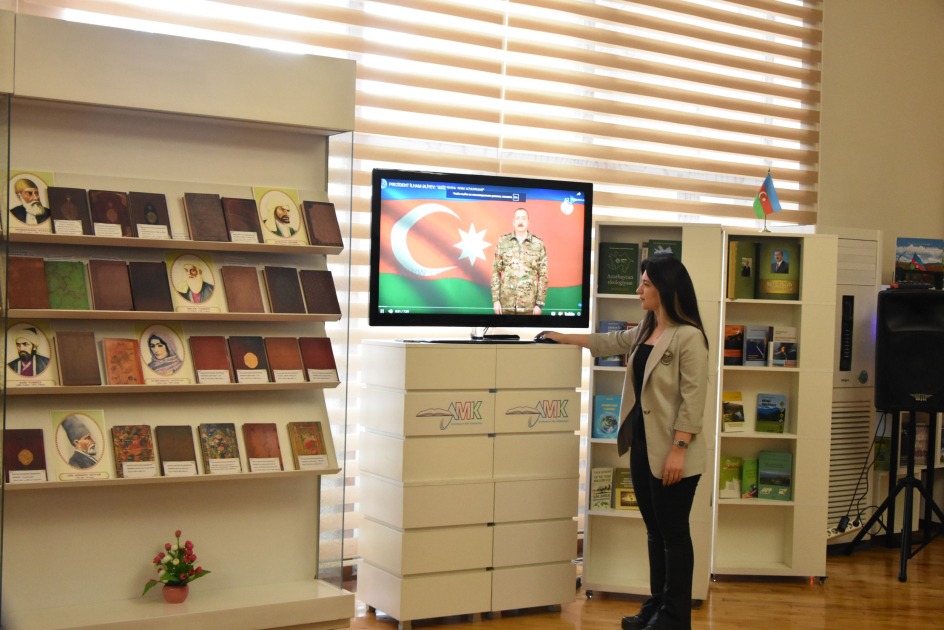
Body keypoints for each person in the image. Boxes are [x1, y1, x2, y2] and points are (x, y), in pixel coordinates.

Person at [538, 255, 709, 630]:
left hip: (674, 453)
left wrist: (678, 450)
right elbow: (609, 341)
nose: (638, 290)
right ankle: (657, 607)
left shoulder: (689, 337)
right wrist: (564, 337)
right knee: (655, 532)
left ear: (665, 288)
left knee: (674, 534)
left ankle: (675, 618)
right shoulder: (648, 329)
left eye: (645, 283)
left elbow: (693, 400)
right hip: (644, 447)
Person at [490, 207, 548, 315]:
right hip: (506, 305)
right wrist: (496, 300)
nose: (520, 221)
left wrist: (539, 304)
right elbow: (496, 272)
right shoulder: (503, 242)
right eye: (517, 218)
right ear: (513, 222)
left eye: (523, 218)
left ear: (528, 222)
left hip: (529, 307)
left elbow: (543, 275)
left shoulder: (538, 244)